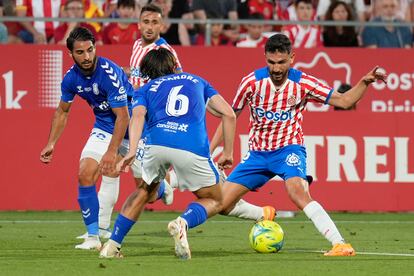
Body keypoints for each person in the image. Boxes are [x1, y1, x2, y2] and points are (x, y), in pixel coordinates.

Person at [210, 33, 387, 257]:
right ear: (265, 57)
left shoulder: (303, 83)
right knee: (222, 205)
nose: (276, 68)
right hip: (257, 154)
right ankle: (263, 213)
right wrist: (210, 151)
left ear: (292, 58)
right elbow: (229, 117)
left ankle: (340, 243)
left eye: (281, 62)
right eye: (271, 62)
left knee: (297, 192)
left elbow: (345, 100)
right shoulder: (251, 83)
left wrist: (364, 81)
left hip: (289, 149)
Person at [39, 26, 171, 249]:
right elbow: (62, 111)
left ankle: (164, 188)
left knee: (147, 195)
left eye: (90, 50)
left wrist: (112, 151)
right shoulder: (70, 78)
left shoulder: (108, 73)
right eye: (80, 53)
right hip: (104, 126)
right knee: (85, 173)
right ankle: (93, 237)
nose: (87, 56)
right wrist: (51, 142)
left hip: (136, 130)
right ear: (70, 54)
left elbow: (123, 116)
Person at [99, 48, 237, 259]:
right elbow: (228, 113)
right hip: (191, 146)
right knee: (216, 200)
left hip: (157, 145)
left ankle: (112, 246)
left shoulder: (144, 89)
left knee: (144, 191)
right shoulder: (197, 80)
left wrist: (133, 149)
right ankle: (183, 223)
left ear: (147, 73)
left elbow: (137, 116)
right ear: (174, 66)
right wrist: (227, 151)